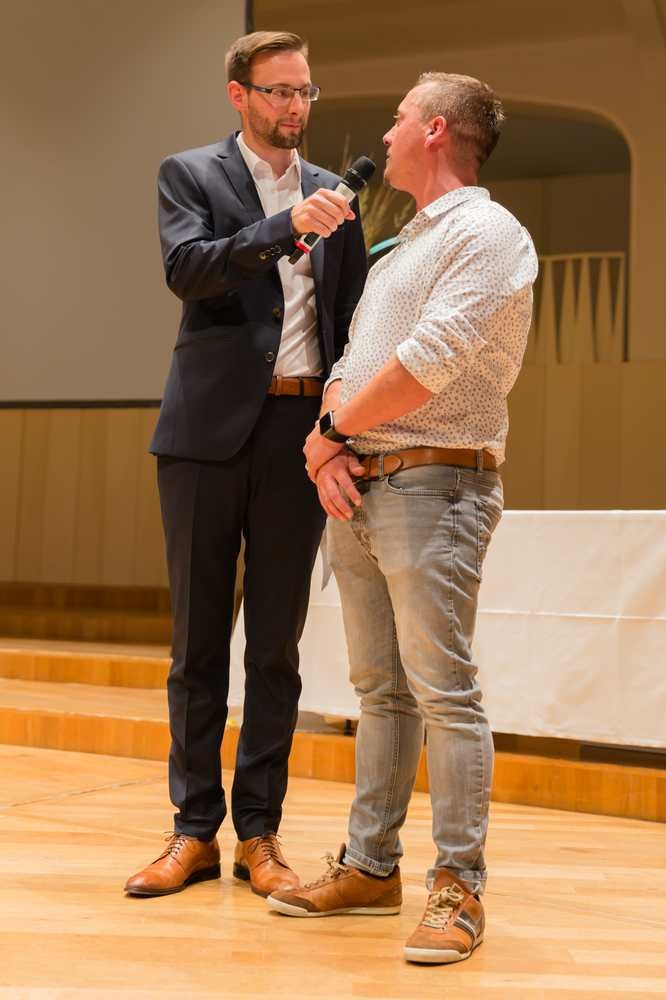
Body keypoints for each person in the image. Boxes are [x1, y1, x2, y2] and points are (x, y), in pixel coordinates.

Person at [267, 72, 537, 964]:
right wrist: (328, 446)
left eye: (397, 118)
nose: (383, 135)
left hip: (435, 483)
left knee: (442, 691)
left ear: (436, 130)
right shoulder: (399, 245)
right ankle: (370, 867)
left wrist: (330, 433)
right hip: (361, 482)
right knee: (379, 693)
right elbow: (352, 357)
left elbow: (431, 360)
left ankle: (458, 888)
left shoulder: (488, 233)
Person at [124, 31, 367, 899]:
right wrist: (281, 227)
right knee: (197, 644)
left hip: (300, 430)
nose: (296, 106)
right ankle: (193, 831)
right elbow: (187, 270)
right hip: (204, 432)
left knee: (275, 648)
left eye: (305, 91)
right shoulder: (190, 174)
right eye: (279, 91)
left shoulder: (337, 193)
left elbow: (350, 315)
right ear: (240, 94)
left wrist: (344, 426)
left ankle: (260, 832)